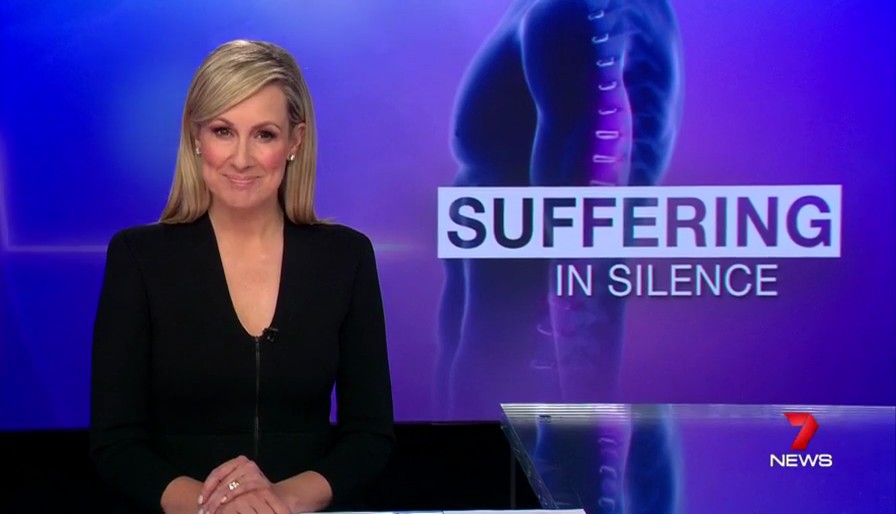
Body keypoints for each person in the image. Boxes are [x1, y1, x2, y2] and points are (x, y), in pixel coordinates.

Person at [89, 39, 395, 514]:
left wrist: (278, 501)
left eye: (264, 135)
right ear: (196, 137)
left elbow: (370, 436)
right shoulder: (139, 257)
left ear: (295, 141)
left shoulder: (346, 257)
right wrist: (216, 506)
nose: (241, 158)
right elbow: (116, 443)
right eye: (223, 131)